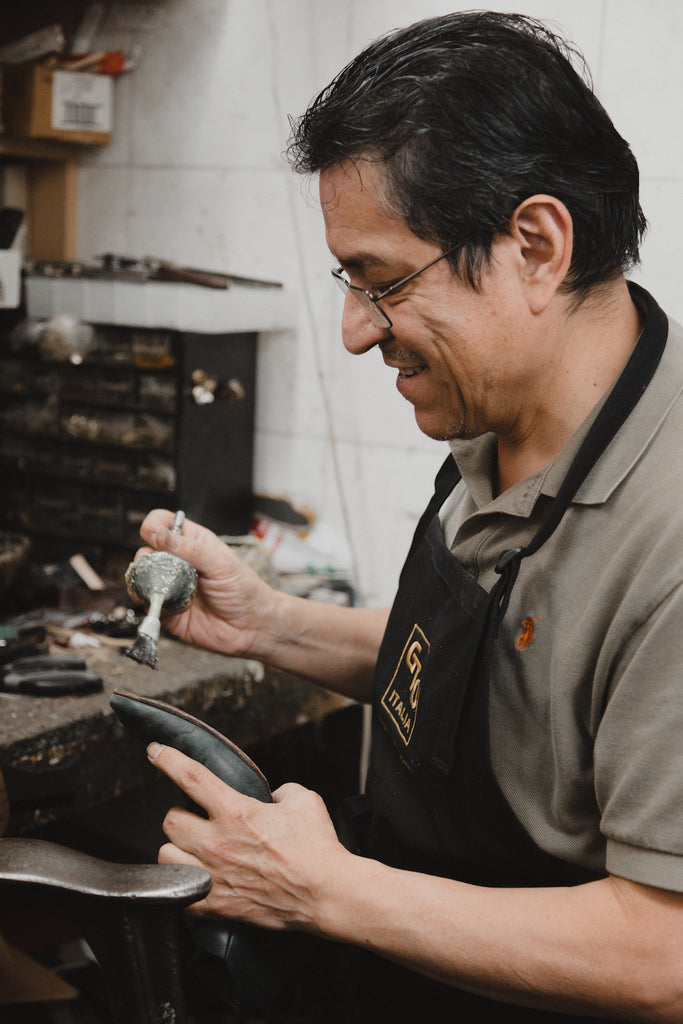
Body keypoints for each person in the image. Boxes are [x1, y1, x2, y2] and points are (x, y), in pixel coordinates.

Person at [135, 11, 683, 1022]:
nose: (352, 331)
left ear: (532, 245)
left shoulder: (668, 536)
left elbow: (664, 953)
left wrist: (325, 891)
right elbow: (488, 677)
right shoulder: (501, 413)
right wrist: (270, 623)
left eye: (380, 281)